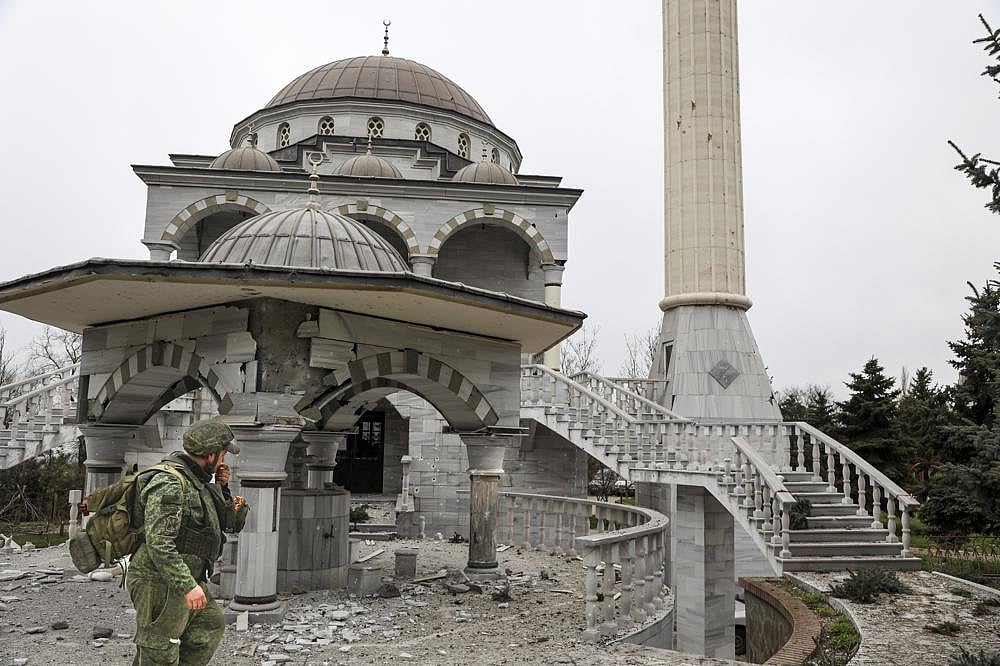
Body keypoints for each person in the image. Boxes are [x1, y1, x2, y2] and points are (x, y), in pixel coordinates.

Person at [126, 419, 250, 666]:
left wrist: (222, 488)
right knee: (159, 649)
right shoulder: (170, 483)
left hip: (187, 576)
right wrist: (186, 585)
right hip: (159, 581)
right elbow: (159, 543)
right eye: (223, 453)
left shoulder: (198, 480)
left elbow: (227, 522)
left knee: (209, 625)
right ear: (212, 454)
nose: (225, 459)